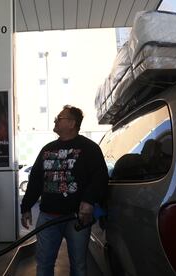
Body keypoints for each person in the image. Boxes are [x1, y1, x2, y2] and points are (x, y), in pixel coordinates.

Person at [20, 105, 109, 276]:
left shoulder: (89, 148)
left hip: (76, 219)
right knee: (44, 265)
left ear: (71, 123)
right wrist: (26, 207)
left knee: (78, 266)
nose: (55, 120)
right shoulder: (47, 149)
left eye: (59, 118)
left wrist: (89, 201)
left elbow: (100, 178)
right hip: (48, 218)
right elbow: (36, 180)